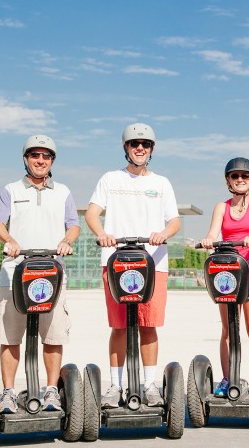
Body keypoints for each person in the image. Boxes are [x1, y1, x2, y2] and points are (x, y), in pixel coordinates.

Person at [85, 122, 180, 408]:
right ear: (126, 148)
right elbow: (92, 213)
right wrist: (101, 233)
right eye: (135, 144)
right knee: (119, 327)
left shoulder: (161, 183)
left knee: (149, 326)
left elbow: (174, 220)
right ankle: (115, 386)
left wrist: (164, 233)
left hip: (153, 264)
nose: (140, 148)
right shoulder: (110, 179)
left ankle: (149, 384)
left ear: (151, 150)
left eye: (146, 144)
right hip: (116, 263)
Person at [0, 135, 80, 414]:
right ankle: (7, 392)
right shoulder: (11, 189)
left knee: (53, 335)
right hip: (14, 272)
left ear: (52, 160)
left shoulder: (63, 191)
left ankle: (52, 390)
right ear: (26, 159)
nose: (40, 161)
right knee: (10, 335)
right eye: (35, 155)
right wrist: (9, 240)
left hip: (52, 273)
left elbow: (74, 225)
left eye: (46, 156)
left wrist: (67, 241)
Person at [199, 157, 249, 399]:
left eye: (245, 176)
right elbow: (212, 232)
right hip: (228, 275)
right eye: (235, 176)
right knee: (229, 330)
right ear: (228, 180)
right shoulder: (222, 206)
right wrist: (209, 239)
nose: (240, 180)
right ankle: (227, 377)